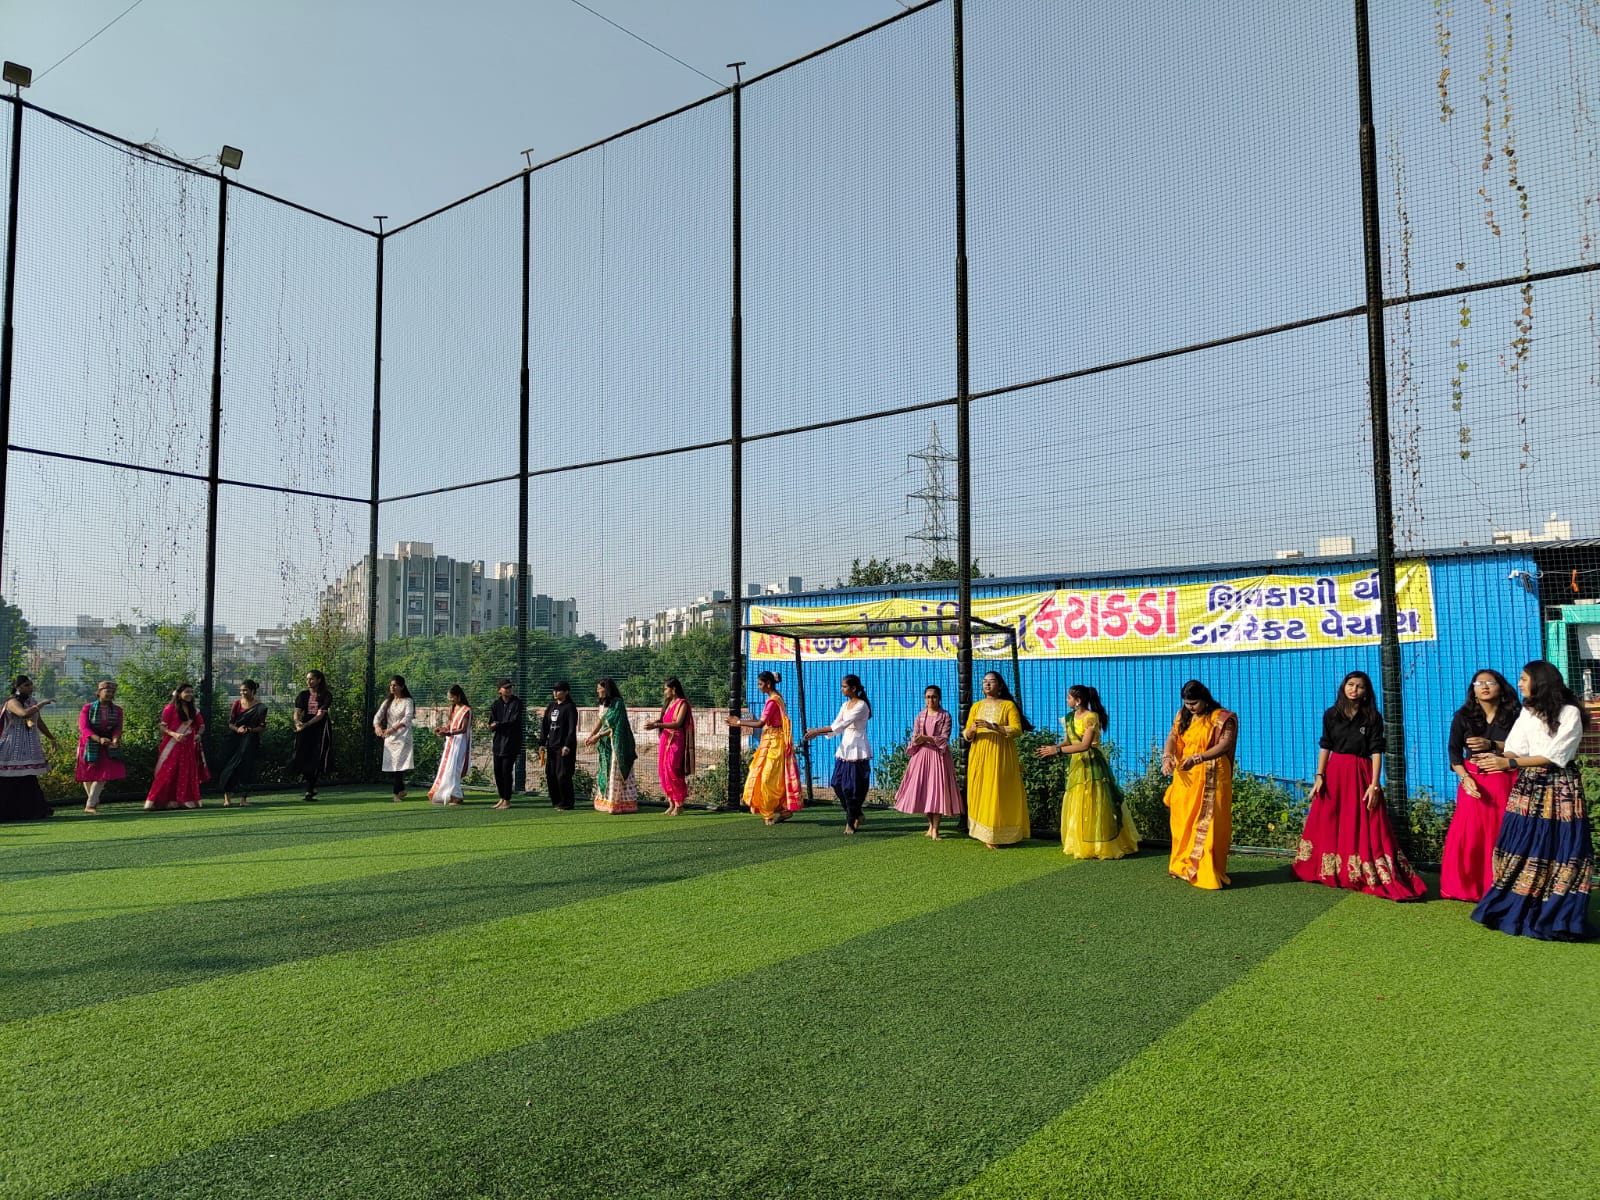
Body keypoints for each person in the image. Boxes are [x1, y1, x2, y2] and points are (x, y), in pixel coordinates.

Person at [1470, 660, 1595, 940]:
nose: (1520, 683)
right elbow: (1516, 747)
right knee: (1520, 842)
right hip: (1527, 786)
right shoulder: (1528, 711)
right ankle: (1516, 905)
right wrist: (1494, 757)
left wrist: (1509, 763)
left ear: (1540, 681)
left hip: (1559, 787)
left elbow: (1555, 756)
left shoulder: (1570, 712)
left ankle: (1557, 913)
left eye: (1524, 678)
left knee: (1559, 845)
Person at [1292, 670, 1425, 900]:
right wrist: (1319, 775)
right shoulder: (1331, 714)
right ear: (1344, 686)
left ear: (1366, 692)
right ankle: (1328, 869)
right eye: (1351, 684)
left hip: (1360, 773)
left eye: (1360, 686)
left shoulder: (1372, 717)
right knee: (1329, 818)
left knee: (1365, 819)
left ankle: (1361, 872)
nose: (1354, 689)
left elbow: (1377, 751)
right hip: (1334, 773)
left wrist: (1374, 784)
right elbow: (1326, 745)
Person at [1440, 669, 1521, 901]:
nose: (1484, 686)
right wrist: (1464, 777)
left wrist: (1492, 744)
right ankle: (1464, 886)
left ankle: (1499, 884)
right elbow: (1454, 751)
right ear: (1473, 690)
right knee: (1469, 832)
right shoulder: (1463, 715)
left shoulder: (1515, 715)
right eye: (1478, 683)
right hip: (1472, 779)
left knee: (1500, 828)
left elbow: (1524, 747)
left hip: (1504, 778)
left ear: (1501, 688)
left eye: (1490, 682)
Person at [1036, 684, 1138, 859]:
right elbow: (1068, 741)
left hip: (1092, 764)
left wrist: (1057, 751)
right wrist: (1052, 747)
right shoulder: (1069, 717)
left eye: (1069, 697)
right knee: (1078, 799)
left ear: (1078, 700)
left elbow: (1084, 745)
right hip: (1077, 764)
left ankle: (1101, 844)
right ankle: (1081, 844)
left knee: (1095, 799)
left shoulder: (1091, 717)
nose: (1066, 700)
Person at [1161, 680, 1236, 889]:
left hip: (1213, 775)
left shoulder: (1221, 718)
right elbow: (1173, 736)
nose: (1190, 707)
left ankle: (1206, 871)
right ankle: (1181, 865)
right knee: (1182, 821)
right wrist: (1167, 757)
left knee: (1210, 824)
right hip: (1186, 776)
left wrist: (1199, 758)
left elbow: (1225, 744)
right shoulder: (1183, 715)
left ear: (1204, 699)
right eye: (1187, 703)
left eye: (1194, 703)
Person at [963, 670, 1030, 848]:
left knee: (999, 791)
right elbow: (966, 733)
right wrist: (971, 731)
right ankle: (984, 833)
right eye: (984, 681)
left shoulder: (1008, 705)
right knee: (981, 789)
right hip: (979, 754)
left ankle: (1001, 833)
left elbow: (1017, 730)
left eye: (991, 681)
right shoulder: (976, 706)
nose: (987, 684)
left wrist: (993, 727)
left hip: (1001, 754)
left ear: (1000, 686)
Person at [730, 670, 802, 824]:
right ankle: (783, 810)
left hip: (776, 743)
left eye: (760, 684)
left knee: (768, 778)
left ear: (768, 684)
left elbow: (760, 723)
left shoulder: (773, 701)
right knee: (773, 777)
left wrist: (738, 722)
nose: (758, 687)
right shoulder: (775, 697)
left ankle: (769, 812)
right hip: (771, 741)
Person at [805, 674, 873, 834]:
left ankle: (850, 821)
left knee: (851, 787)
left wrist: (817, 731)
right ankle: (856, 813)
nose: (842, 689)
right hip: (844, 748)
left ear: (853, 688)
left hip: (857, 748)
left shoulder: (861, 706)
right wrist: (817, 733)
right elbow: (836, 726)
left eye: (844, 686)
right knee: (836, 783)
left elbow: (842, 725)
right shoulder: (845, 705)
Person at [893, 683, 963, 839]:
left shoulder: (945, 716)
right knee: (924, 791)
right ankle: (930, 825)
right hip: (921, 757)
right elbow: (915, 736)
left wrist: (926, 738)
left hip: (938, 756)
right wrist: (917, 741)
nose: (931, 700)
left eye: (934, 697)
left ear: (939, 698)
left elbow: (944, 738)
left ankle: (936, 828)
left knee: (937, 791)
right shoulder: (920, 716)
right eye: (928, 697)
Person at [0, 675, 57, 821]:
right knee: (9, 779)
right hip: (12, 746)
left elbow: (38, 721)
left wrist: (51, 737)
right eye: (26, 685)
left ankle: (32, 811)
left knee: (28, 777)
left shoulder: (31, 702)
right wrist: (42, 704)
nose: (30, 687)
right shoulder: (11, 702)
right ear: (18, 688)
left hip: (29, 745)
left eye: (31, 684)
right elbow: (23, 713)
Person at [145, 683, 209, 811]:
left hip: (188, 746)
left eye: (191, 692)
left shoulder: (194, 711)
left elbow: (201, 726)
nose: (190, 694)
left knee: (186, 772)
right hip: (172, 746)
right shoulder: (169, 709)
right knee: (168, 772)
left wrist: (198, 735)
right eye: (187, 692)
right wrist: (175, 734)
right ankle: (160, 801)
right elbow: (162, 727)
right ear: (179, 694)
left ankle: (183, 800)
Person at [585, 677, 638, 814]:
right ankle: (607, 801)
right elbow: (601, 721)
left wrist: (598, 736)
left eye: (599, 688)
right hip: (606, 743)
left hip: (617, 743)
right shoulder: (603, 704)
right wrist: (591, 735)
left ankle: (618, 803)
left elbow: (617, 726)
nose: (597, 691)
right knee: (605, 770)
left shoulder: (618, 703)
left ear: (606, 689)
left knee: (616, 770)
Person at [644, 676, 694, 816]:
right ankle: (671, 803)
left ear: (674, 689)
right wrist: (655, 723)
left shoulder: (682, 704)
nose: (664, 691)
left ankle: (679, 804)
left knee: (673, 770)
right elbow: (664, 720)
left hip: (676, 740)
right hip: (665, 740)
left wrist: (656, 725)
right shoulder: (668, 703)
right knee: (663, 770)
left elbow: (677, 723)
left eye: (666, 689)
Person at [75, 679, 125, 814]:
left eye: (112, 692)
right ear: (99, 692)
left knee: (104, 774)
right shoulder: (87, 708)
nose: (110, 694)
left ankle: (90, 804)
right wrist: (98, 739)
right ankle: (94, 799)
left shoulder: (118, 710)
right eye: (107, 691)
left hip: (107, 745)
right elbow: (84, 728)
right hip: (89, 744)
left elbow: (118, 728)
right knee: (87, 775)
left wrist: (115, 740)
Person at [218, 679, 266, 807]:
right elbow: (231, 723)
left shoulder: (261, 707)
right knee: (229, 767)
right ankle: (227, 798)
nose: (242, 692)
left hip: (250, 741)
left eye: (245, 690)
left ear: (253, 691)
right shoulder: (237, 704)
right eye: (241, 690)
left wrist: (250, 730)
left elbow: (262, 726)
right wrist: (237, 729)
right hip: (234, 740)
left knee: (247, 768)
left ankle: (243, 799)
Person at [292, 670, 334, 802]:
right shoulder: (303, 695)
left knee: (317, 756)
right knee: (301, 754)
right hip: (305, 729)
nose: (309, 681)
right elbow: (297, 712)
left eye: (311, 679)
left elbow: (320, 714)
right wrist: (297, 722)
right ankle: (309, 784)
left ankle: (310, 789)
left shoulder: (326, 695)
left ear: (319, 680)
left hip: (320, 729)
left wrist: (307, 724)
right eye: (307, 679)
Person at [428, 684, 473, 806]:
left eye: (452, 697)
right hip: (451, 741)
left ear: (458, 696)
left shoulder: (466, 710)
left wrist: (448, 733)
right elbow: (450, 725)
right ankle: (451, 794)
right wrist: (441, 729)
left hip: (460, 743)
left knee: (455, 768)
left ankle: (457, 796)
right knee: (448, 768)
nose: (450, 699)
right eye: (449, 697)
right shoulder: (452, 708)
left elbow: (463, 729)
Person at [373, 675, 415, 801]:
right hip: (389, 738)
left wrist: (393, 729)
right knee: (392, 765)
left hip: (403, 737)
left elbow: (407, 717)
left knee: (398, 766)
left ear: (402, 687)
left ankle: (396, 794)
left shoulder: (408, 701)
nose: (392, 687)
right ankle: (401, 789)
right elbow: (378, 716)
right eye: (391, 685)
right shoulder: (387, 702)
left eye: (395, 685)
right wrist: (377, 727)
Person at [540, 681, 579, 810]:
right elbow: (545, 726)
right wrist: (542, 743)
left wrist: (567, 745)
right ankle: (556, 801)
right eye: (554, 690)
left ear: (566, 692)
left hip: (563, 747)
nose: (555, 693)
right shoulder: (551, 706)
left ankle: (567, 802)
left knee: (563, 775)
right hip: (551, 746)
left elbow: (571, 729)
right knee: (550, 774)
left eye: (559, 690)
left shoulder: (570, 707)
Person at [487, 677, 524, 811]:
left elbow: (514, 721)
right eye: (506, 687)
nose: (509, 689)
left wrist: (498, 725)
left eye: (510, 687)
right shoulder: (495, 705)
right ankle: (502, 798)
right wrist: (492, 726)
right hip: (498, 743)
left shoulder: (517, 703)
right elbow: (491, 722)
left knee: (506, 771)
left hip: (511, 743)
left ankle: (507, 799)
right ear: (499, 690)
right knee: (498, 771)